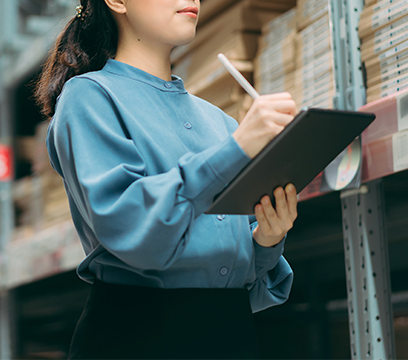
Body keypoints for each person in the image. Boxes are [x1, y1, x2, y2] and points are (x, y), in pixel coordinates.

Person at [34, 0, 298, 359]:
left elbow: (239, 278)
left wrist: (266, 239)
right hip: (137, 340)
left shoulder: (220, 122)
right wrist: (235, 149)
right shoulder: (88, 98)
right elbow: (130, 226)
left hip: (230, 337)